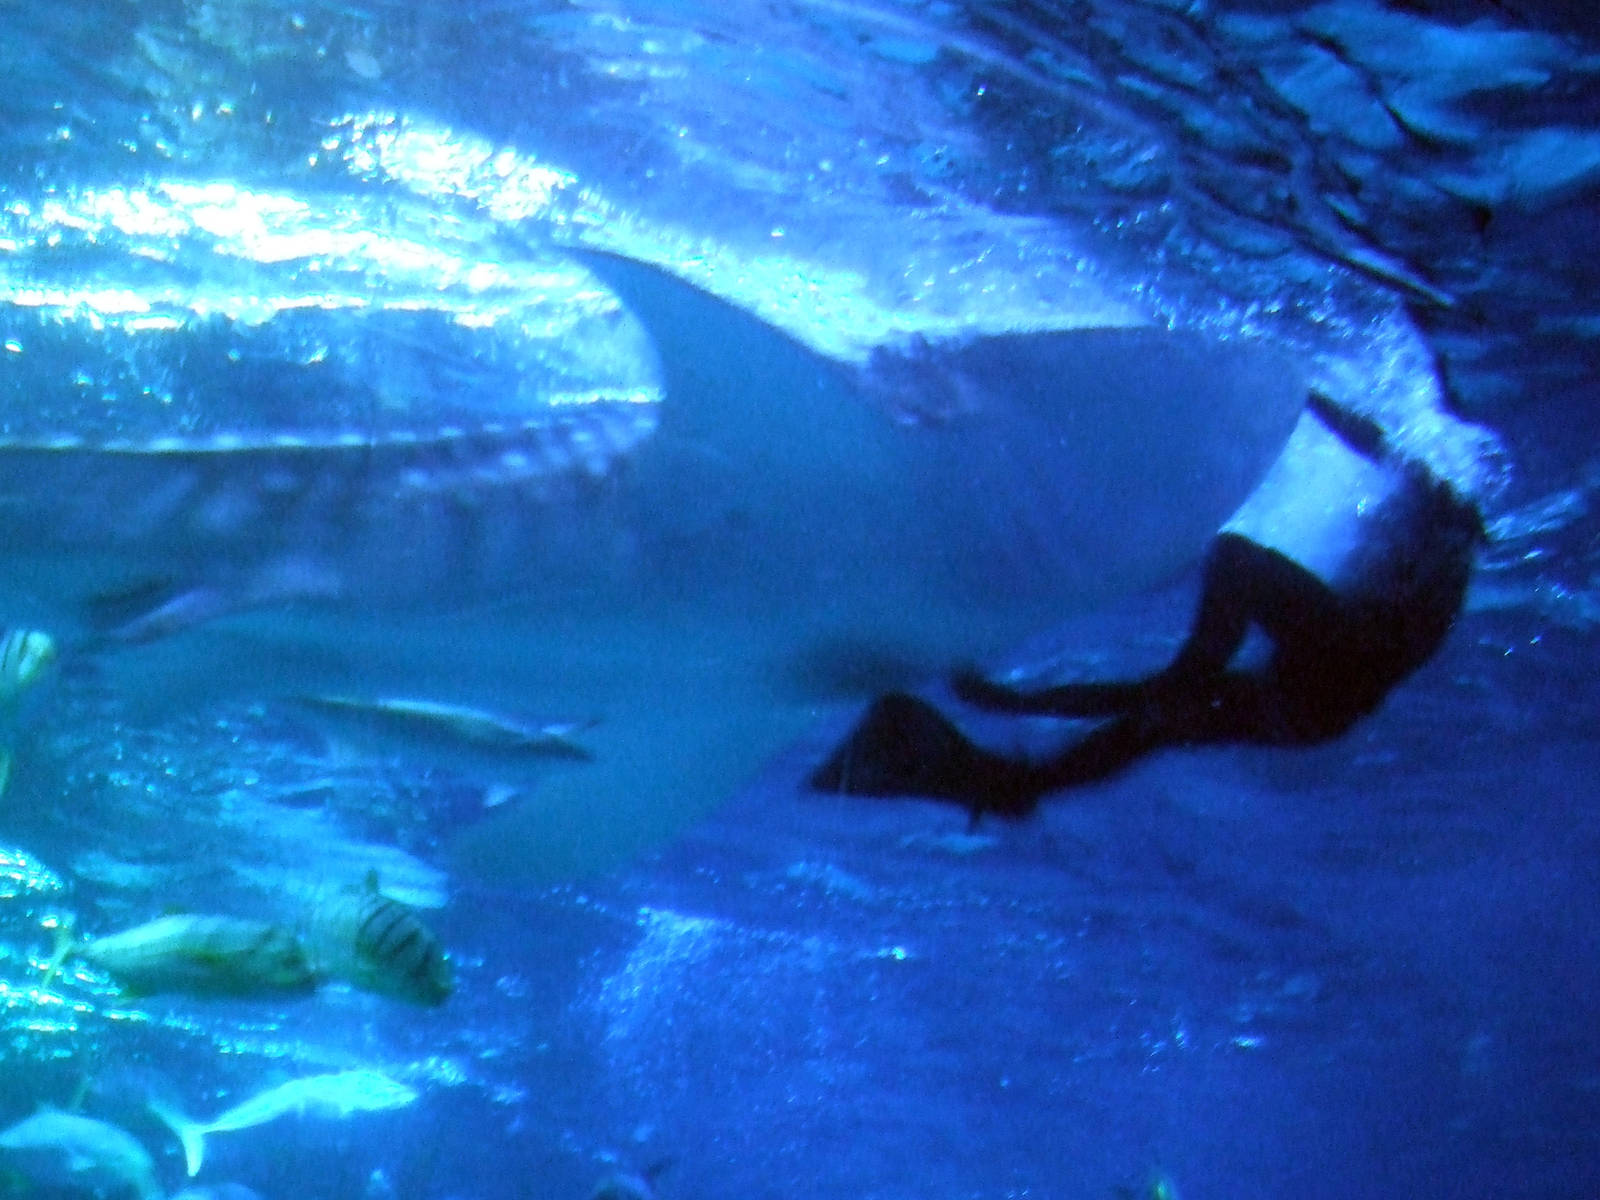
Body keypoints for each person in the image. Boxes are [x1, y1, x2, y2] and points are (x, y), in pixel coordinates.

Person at [808, 391, 1485, 819]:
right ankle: (1007, 785)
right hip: (1337, 687)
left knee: (1211, 614)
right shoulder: (1339, 668)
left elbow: (1166, 690)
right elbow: (1155, 700)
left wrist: (1301, 383)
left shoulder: (1431, 522)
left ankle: (1005, 783)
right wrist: (1022, 702)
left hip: (1348, 670)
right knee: (1162, 711)